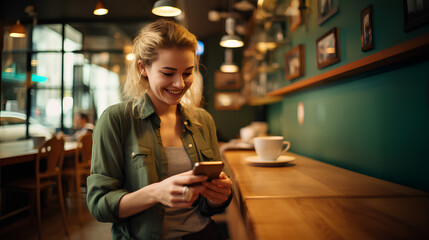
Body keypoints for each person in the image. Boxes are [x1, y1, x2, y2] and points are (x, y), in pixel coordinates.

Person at [87, 19, 233, 240]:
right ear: (142, 68)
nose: (179, 84)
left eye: (187, 73)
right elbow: (99, 205)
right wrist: (155, 192)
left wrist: (218, 196)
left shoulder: (203, 121)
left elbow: (208, 206)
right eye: (168, 73)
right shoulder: (116, 119)